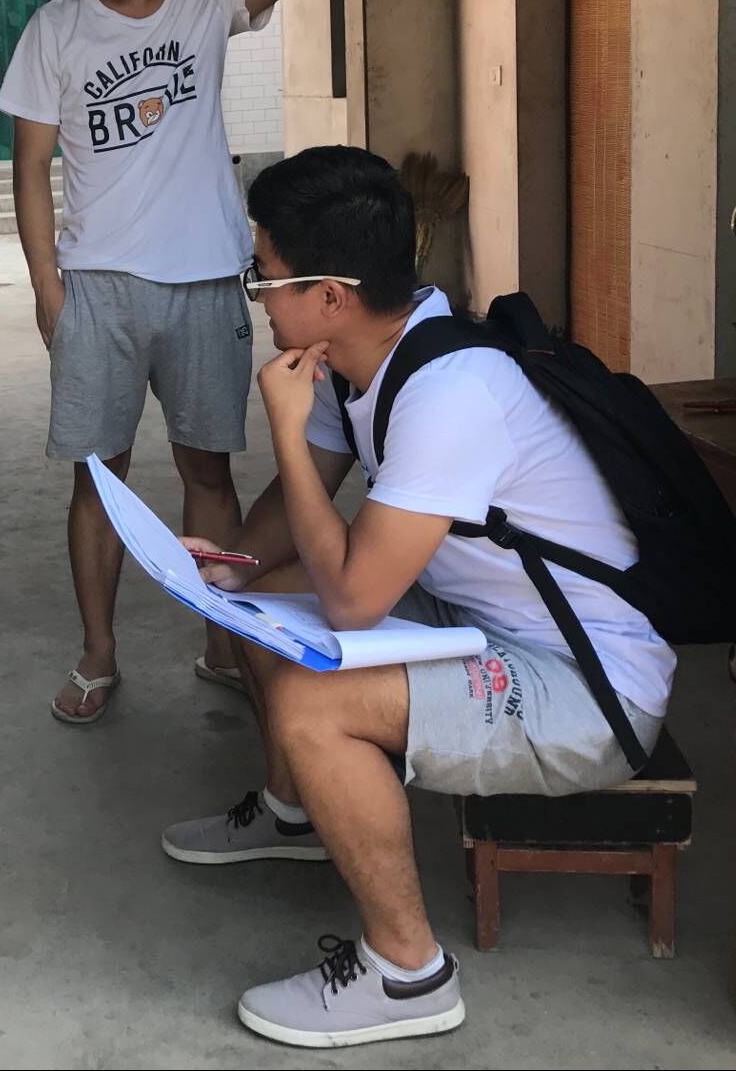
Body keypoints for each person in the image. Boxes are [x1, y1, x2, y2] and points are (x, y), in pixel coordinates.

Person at [161, 146, 675, 1047]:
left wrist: (284, 430)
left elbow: (353, 601)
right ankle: (295, 811)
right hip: (477, 620)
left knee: (314, 702)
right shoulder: (362, 357)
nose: (258, 298)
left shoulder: (450, 390)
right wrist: (231, 568)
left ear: (330, 296)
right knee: (263, 601)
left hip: (587, 683)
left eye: (263, 278)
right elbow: (299, 515)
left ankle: (409, 972)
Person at [0, 0, 310, 724]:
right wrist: (46, 284)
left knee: (207, 470)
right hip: (96, 285)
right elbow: (29, 168)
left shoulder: (206, 4)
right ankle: (99, 652)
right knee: (100, 477)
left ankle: (221, 640)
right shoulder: (55, 30)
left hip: (206, 276)